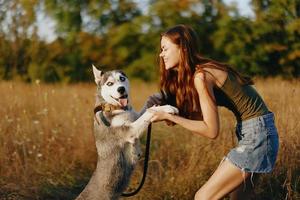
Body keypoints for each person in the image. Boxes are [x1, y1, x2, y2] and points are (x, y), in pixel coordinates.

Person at [144, 24, 279, 200]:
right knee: (240, 198)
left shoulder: (201, 76)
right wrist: (167, 112)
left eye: (165, 48)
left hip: (258, 136)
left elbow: (211, 130)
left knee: (203, 197)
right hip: (258, 132)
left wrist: (170, 116)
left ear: (182, 48)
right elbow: (201, 116)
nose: (161, 54)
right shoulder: (201, 71)